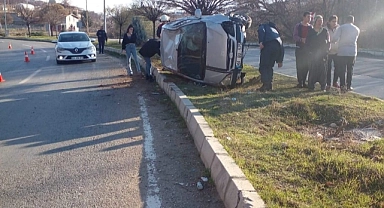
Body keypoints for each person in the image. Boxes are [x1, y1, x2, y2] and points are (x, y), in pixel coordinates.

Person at [332, 15, 360, 91]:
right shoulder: (357, 29)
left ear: (346, 20)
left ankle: (342, 85)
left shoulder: (341, 28)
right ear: (353, 21)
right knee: (350, 70)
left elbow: (335, 38)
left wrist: (333, 42)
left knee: (342, 69)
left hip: (342, 51)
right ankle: (349, 85)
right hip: (352, 52)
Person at [257, 21, 284, 92]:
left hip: (268, 46)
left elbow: (261, 30)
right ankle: (269, 85)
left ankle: (265, 85)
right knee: (269, 66)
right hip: (278, 48)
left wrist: (261, 41)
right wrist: (280, 60)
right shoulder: (276, 32)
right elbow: (281, 46)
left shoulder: (263, 26)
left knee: (263, 66)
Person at [307, 15, 330, 91]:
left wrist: (326, 51)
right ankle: (311, 86)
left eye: (321, 21)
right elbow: (308, 42)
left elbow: (328, 42)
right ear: (315, 21)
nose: (320, 22)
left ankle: (323, 86)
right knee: (313, 70)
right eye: (318, 20)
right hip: (313, 54)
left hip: (322, 54)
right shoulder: (311, 31)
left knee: (322, 71)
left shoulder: (325, 31)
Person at [293, 11, 313, 88]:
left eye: (310, 17)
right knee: (299, 65)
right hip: (299, 48)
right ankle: (300, 82)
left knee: (306, 66)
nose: (309, 18)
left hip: (307, 49)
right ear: (304, 17)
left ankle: (304, 81)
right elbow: (295, 36)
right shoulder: (298, 26)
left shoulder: (310, 27)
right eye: (308, 17)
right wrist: (301, 39)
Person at [326, 15, 340, 90]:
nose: (335, 23)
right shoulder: (326, 29)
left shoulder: (339, 29)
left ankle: (335, 82)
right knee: (328, 68)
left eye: (336, 21)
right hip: (328, 51)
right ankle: (328, 83)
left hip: (337, 51)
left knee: (337, 67)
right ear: (329, 22)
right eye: (333, 21)